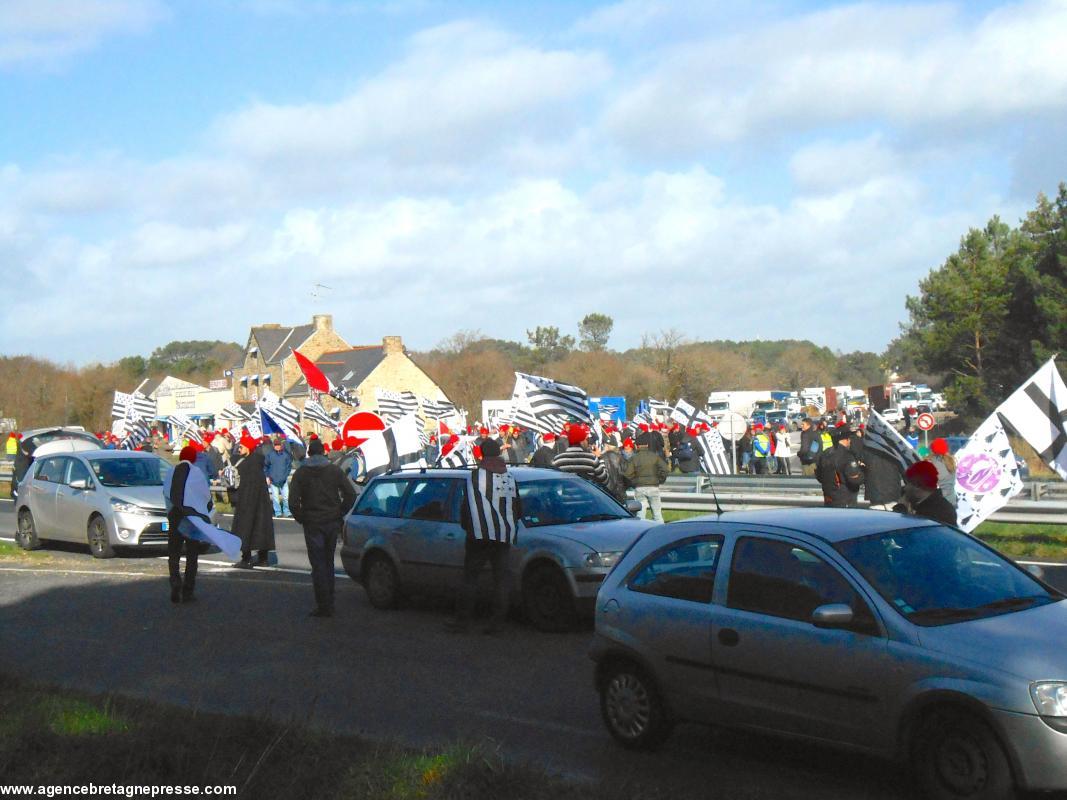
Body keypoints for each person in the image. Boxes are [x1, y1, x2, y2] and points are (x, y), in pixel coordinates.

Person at [446, 439, 520, 634]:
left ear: (481, 454)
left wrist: (466, 526)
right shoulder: (510, 477)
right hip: (503, 534)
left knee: (470, 578)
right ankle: (497, 624)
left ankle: (463, 622)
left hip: (478, 534)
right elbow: (517, 507)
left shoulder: (475, 476)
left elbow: (467, 505)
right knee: (501, 580)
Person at [288, 437, 357, 617]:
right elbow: (350, 494)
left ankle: (323, 603)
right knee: (328, 562)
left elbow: (293, 501)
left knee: (317, 564)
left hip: (312, 521)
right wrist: (339, 512)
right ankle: (330, 601)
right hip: (331, 520)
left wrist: (302, 517)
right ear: (324, 452)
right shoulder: (334, 471)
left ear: (309, 453)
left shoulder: (301, 473)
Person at [163, 445, 212, 604]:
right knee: (192, 554)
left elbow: (166, 493)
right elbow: (205, 495)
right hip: (191, 517)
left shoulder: (171, 471)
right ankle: (188, 589)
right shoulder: (196, 473)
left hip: (175, 516)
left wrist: (170, 511)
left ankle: (175, 581)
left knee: (174, 552)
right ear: (193, 458)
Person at [231, 435, 276, 569]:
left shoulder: (247, 463)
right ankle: (263, 557)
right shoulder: (257, 462)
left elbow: (241, 483)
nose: (240, 448)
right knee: (261, 528)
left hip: (247, 501)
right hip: (261, 502)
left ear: (249, 448)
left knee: (245, 528)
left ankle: (246, 558)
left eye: (242, 446)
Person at [623, 432, 669, 523]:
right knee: (657, 514)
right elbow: (665, 469)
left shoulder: (634, 458)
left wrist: (634, 483)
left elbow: (627, 474)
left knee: (640, 515)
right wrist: (659, 480)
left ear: (637, 446)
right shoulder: (655, 457)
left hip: (639, 487)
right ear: (647, 445)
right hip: (653, 487)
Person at [814, 425, 864, 508]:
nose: (850, 441)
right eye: (849, 438)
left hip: (829, 498)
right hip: (844, 500)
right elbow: (855, 479)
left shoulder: (825, 454)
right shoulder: (847, 456)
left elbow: (819, 475)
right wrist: (863, 471)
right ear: (846, 439)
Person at [895, 460, 957, 526]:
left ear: (917, 485)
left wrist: (900, 508)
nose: (905, 488)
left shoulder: (932, 515)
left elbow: (900, 530)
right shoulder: (943, 507)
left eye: (907, 483)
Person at [264, 435, 294, 518]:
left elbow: (289, 466)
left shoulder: (285, 455)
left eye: (278, 445)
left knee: (286, 497)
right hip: (273, 480)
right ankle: (278, 512)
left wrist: (286, 474)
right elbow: (265, 466)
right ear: (273, 446)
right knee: (276, 498)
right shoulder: (269, 455)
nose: (277, 446)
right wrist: (267, 476)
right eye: (276, 445)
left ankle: (287, 511)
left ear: (281, 445)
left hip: (283, 479)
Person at [929, 438, 958, 507]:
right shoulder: (951, 461)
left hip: (939, 503)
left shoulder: (932, 462)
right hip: (952, 501)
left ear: (933, 449)